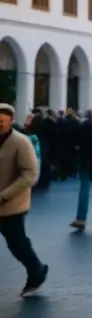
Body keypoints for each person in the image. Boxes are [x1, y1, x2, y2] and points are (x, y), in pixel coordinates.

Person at [0, 103, 48, 296]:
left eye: (1, 121)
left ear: (10, 120)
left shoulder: (20, 142)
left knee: (17, 243)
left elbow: (29, 174)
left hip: (12, 204)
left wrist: (5, 195)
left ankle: (36, 270)